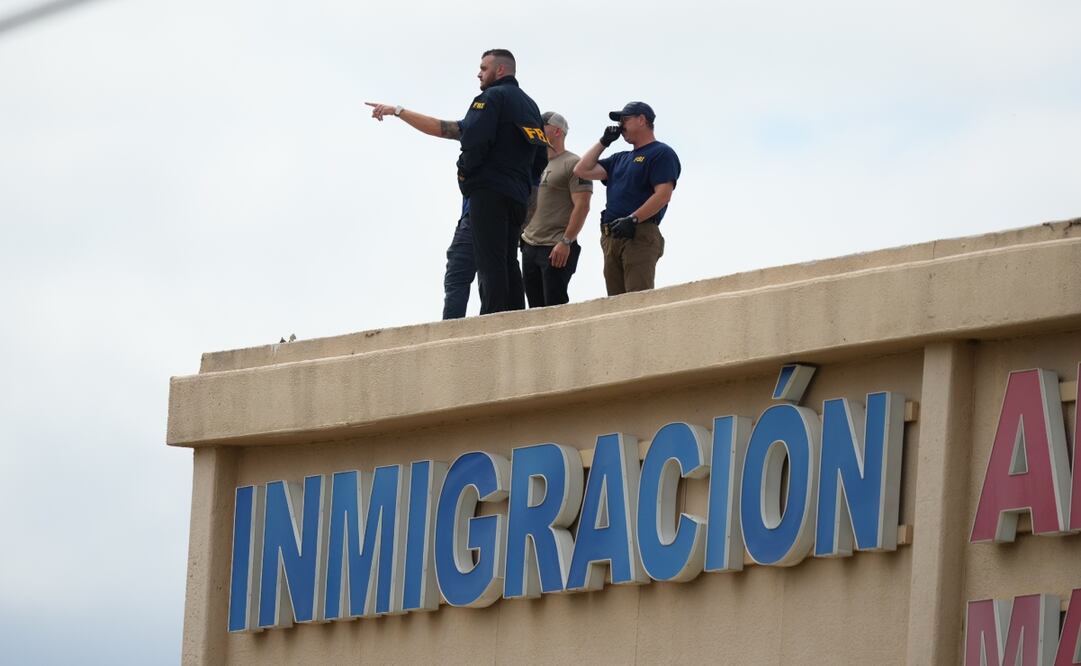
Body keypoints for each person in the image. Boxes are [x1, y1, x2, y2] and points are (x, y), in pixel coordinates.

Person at [456, 49, 548, 314]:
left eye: (483, 68)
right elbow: (540, 157)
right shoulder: (531, 106)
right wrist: (524, 183)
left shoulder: (490, 97)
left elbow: (474, 141)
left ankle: (493, 319)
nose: (478, 73)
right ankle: (515, 317)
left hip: (489, 191)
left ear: (500, 71)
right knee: (508, 259)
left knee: (490, 260)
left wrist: (464, 173)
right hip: (517, 195)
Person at [364, 101, 475, 319]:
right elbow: (438, 127)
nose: (479, 73)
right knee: (480, 276)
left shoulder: (495, 132)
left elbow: (440, 128)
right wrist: (397, 111)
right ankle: (452, 333)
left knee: (478, 276)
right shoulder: (479, 133)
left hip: (482, 218)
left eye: (484, 68)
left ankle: (455, 335)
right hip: (480, 217)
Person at [573, 101, 681, 296]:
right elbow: (581, 170)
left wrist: (633, 219)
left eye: (625, 120)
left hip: (639, 234)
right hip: (612, 236)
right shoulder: (619, 158)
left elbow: (663, 194)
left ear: (641, 120)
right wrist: (604, 141)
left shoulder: (660, 153)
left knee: (637, 299)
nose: (621, 126)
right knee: (616, 303)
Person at [519, 112, 592, 308]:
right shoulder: (533, 163)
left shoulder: (574, 163)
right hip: (529, 244)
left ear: (557, 131)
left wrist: (566, 241)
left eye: (543, 125)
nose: (538, 128)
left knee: (555, 307)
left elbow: (582, 206)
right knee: (534, 309)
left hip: (556, 247)